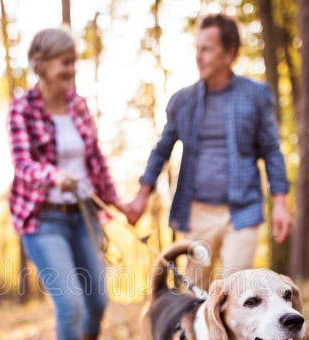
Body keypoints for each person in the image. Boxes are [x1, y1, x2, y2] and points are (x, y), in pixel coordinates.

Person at [124, 14, 292, 289]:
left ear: (229, 54)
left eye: (207, 49)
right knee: (194, 293)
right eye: (197, 48)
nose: (198, 57)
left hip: (243, 210)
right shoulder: (183, 101)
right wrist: (141, 197)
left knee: (237, 292)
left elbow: (272, 151)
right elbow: (161, 150)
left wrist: (281, 204)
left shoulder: (255, 95)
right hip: (197, 211)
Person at [8, 27, 124, 340]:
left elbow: (95, 160)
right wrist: (52, 175)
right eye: (64, 62)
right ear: (40, 64)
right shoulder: (22, 108)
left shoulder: (78, 105)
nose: (71, 69)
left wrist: (117, 202)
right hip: (43, 219)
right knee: (69, 301)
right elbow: (23, 164)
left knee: (98, 299)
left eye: (73, 61)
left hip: (84, 215)